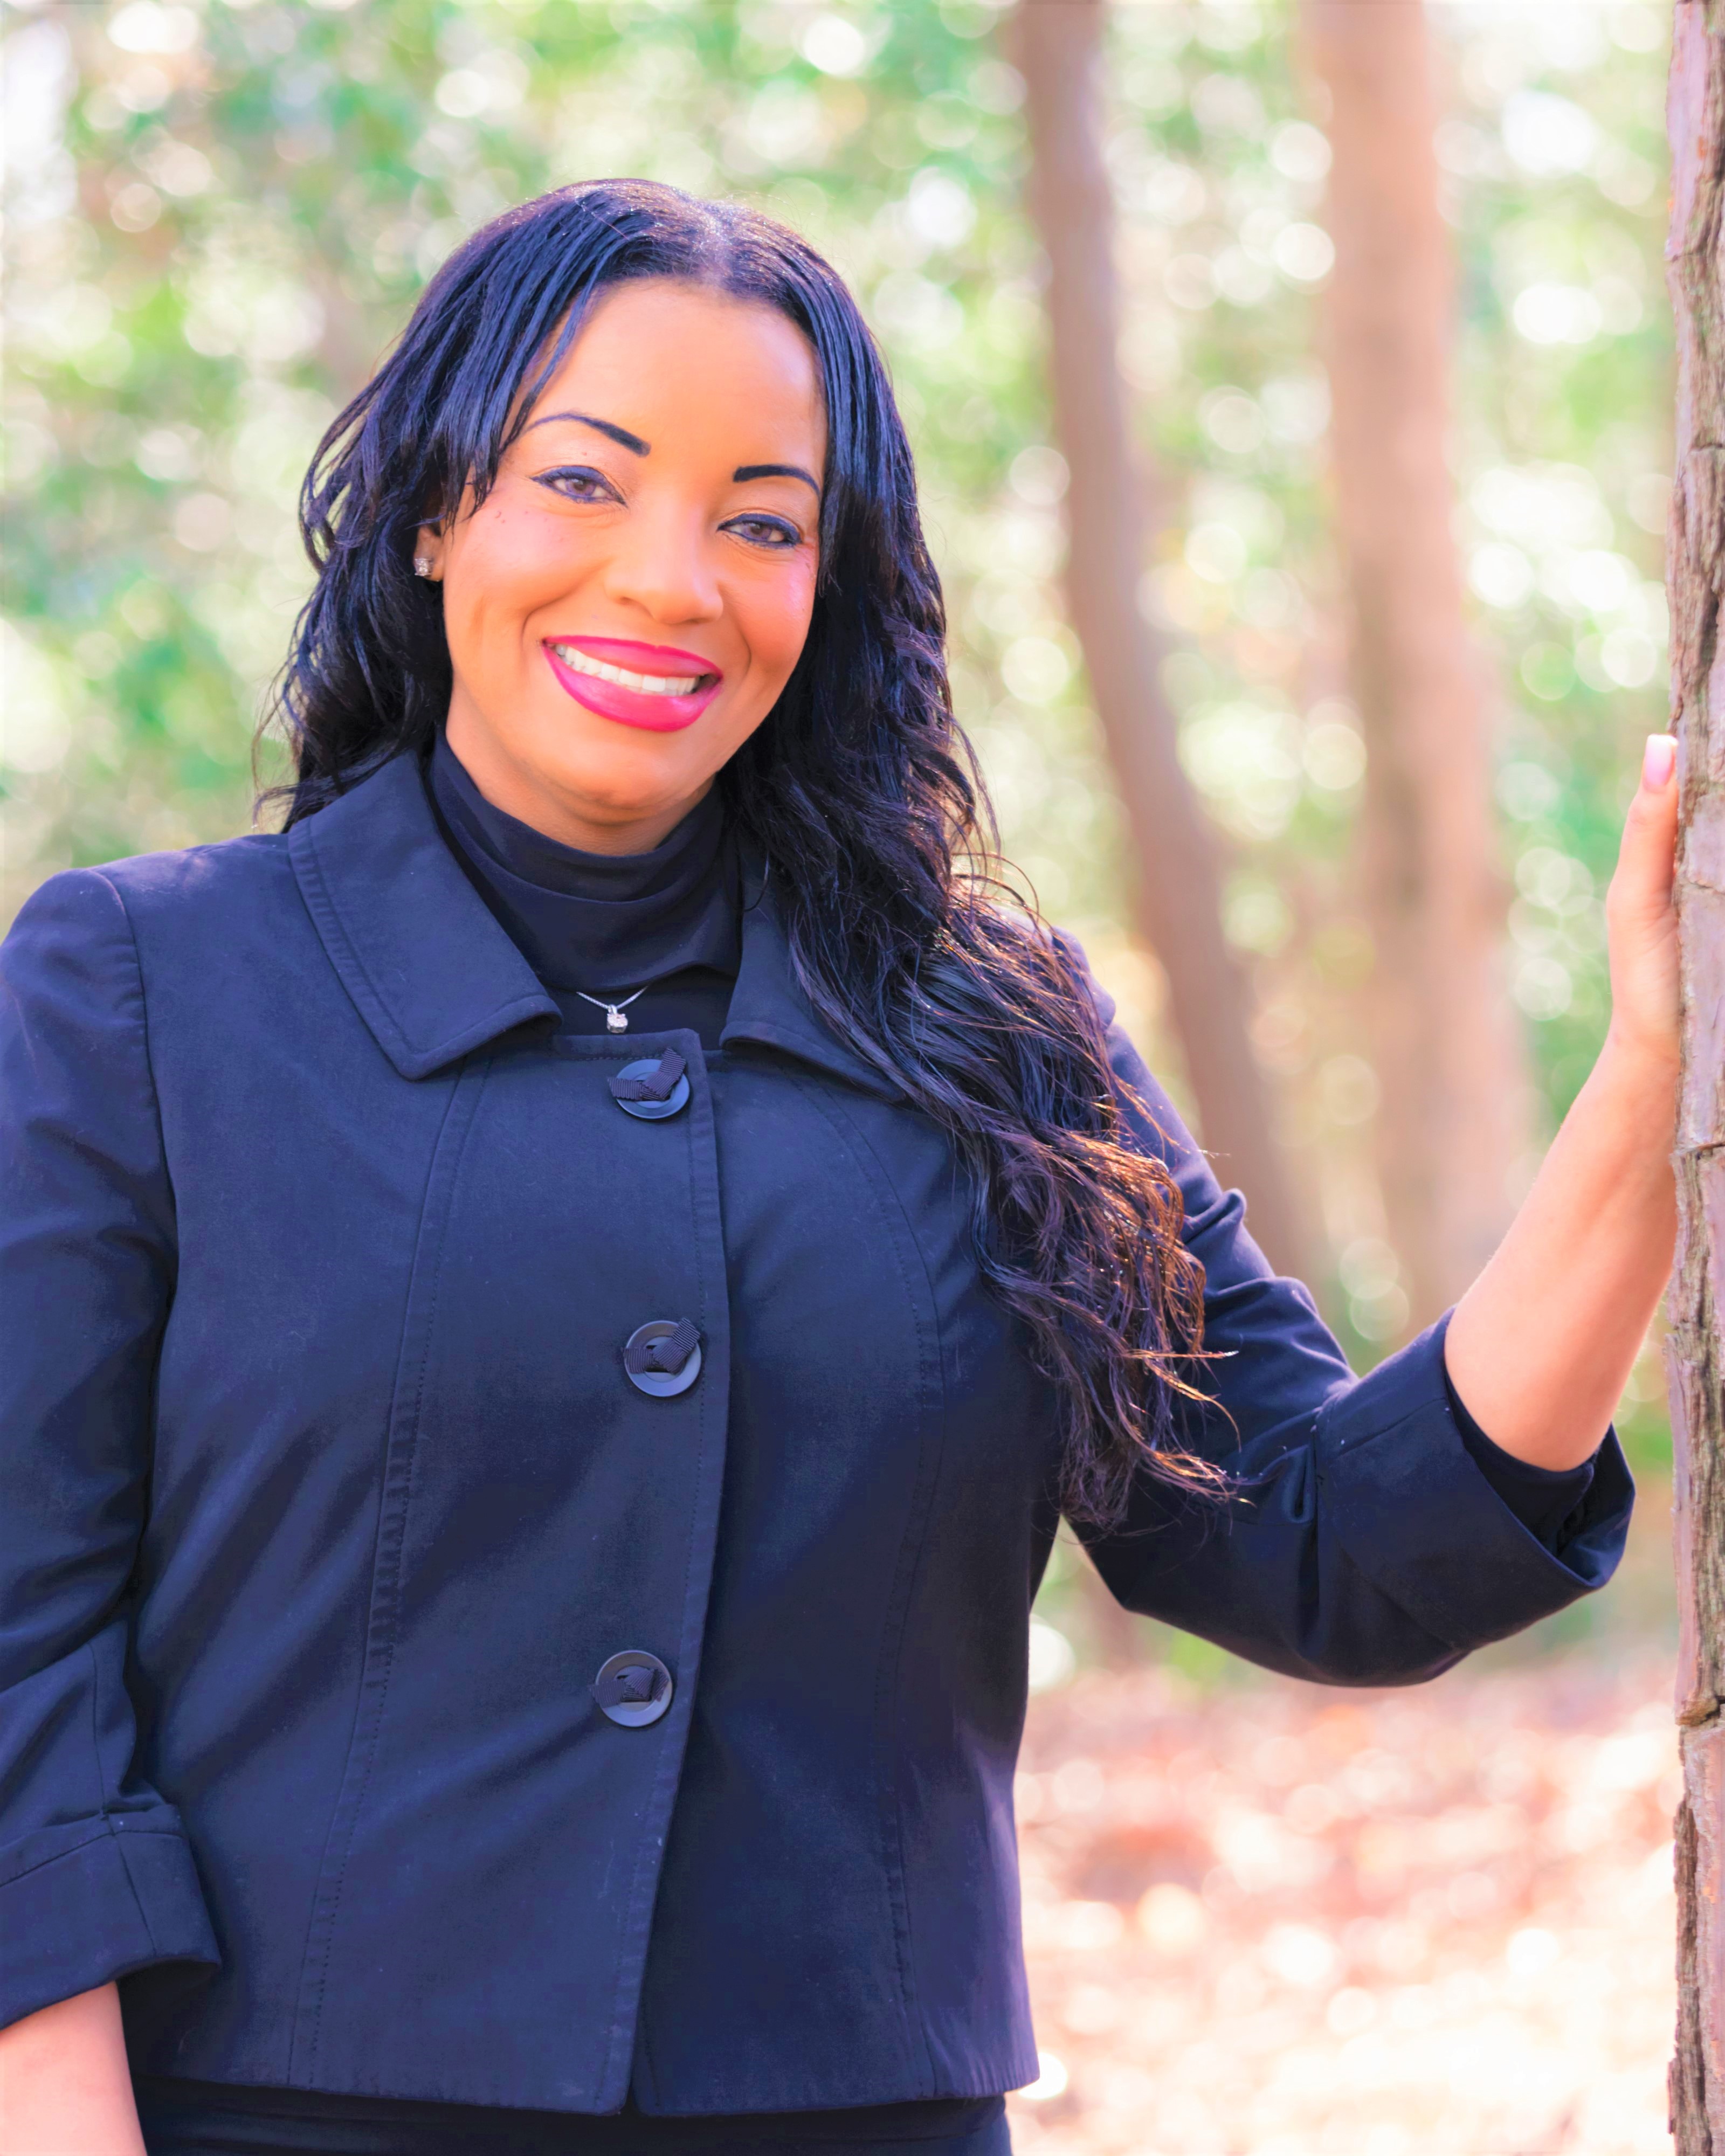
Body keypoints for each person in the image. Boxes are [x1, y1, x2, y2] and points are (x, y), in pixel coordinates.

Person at [0, 181, 1673, 2156]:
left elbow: (1322, 1539)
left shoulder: (993, 1034)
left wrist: (1661, 1075)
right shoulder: (142, 987)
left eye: (762, 522)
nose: (670, 580)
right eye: (586, 482)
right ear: (440, 511)